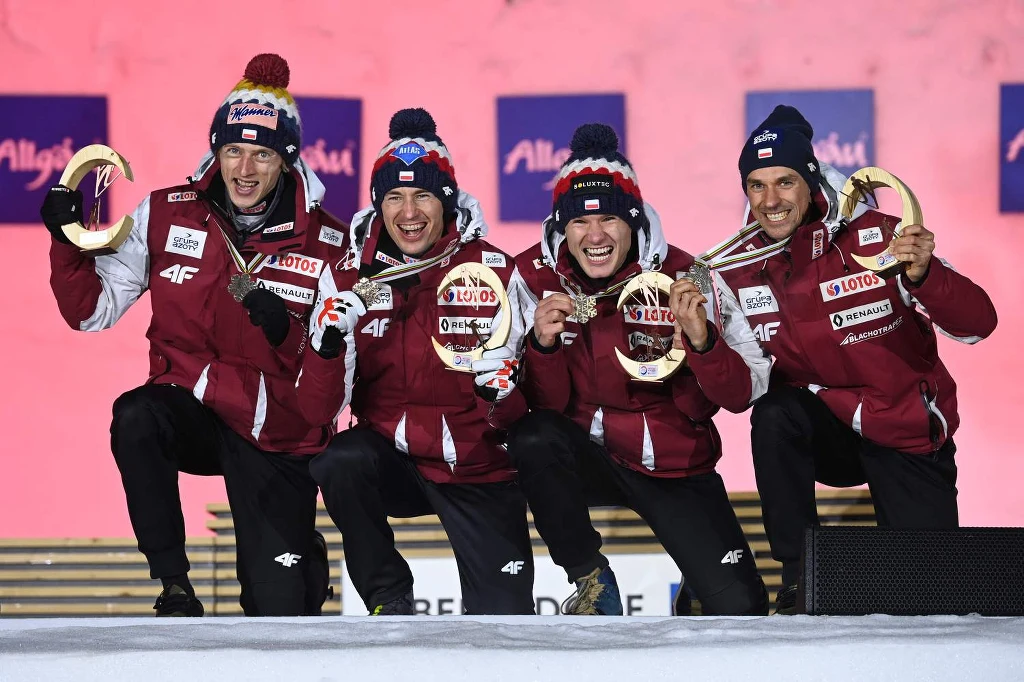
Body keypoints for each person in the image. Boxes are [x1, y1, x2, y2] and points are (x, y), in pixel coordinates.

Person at [40, 53, 348, 617]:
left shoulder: (328, 242)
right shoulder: (166, 214)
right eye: (234, 150)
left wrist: (290, 335)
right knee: (136, 415)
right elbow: (92, 312)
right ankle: (174, 582)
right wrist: (67, 241)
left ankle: (298, 551)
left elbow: (337, 387)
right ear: (216, 151)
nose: (245, 169)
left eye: (263, 153)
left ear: (288, 160)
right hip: (193, 407)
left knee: (278, 612)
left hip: (272, 428)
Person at [713, 104, 998, 614]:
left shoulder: (883, 235)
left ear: (811, 179)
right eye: (756, 185)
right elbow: (742, 393)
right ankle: (799, 575)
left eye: (784, 181)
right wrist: (701, 343)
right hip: (827, 429)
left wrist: (924, 275)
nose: (770, 199)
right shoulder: (738, 269)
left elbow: (979, 325)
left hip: (903, 427)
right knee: (774, 414)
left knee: (933, 604)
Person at [508, 123, 771, 616]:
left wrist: (702, 341)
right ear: (561, 227)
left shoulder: (686, 274)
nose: (595, 236)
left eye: (609, 219)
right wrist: (541, 347)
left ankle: (699, 584)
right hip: (579, 458)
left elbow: (743, 393)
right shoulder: (529, 278)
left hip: (669, 462)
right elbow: (524, 407)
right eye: (579, 223)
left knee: (741, 610)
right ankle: (590, 578)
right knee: (533, 438)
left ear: (634, 221)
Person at [296, 108, 535, 616]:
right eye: (394, 197)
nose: (409, 212)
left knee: (504, 629)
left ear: (447, 202)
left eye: (423, 194)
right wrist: (325, 344)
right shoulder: (349, 277)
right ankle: (387, 596)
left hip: (477, 466)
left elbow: (518, 411)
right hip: (394, 462)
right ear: (378, 205)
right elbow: (318, 412)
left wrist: (502, 391)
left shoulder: (495, 271)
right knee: (339, 459)